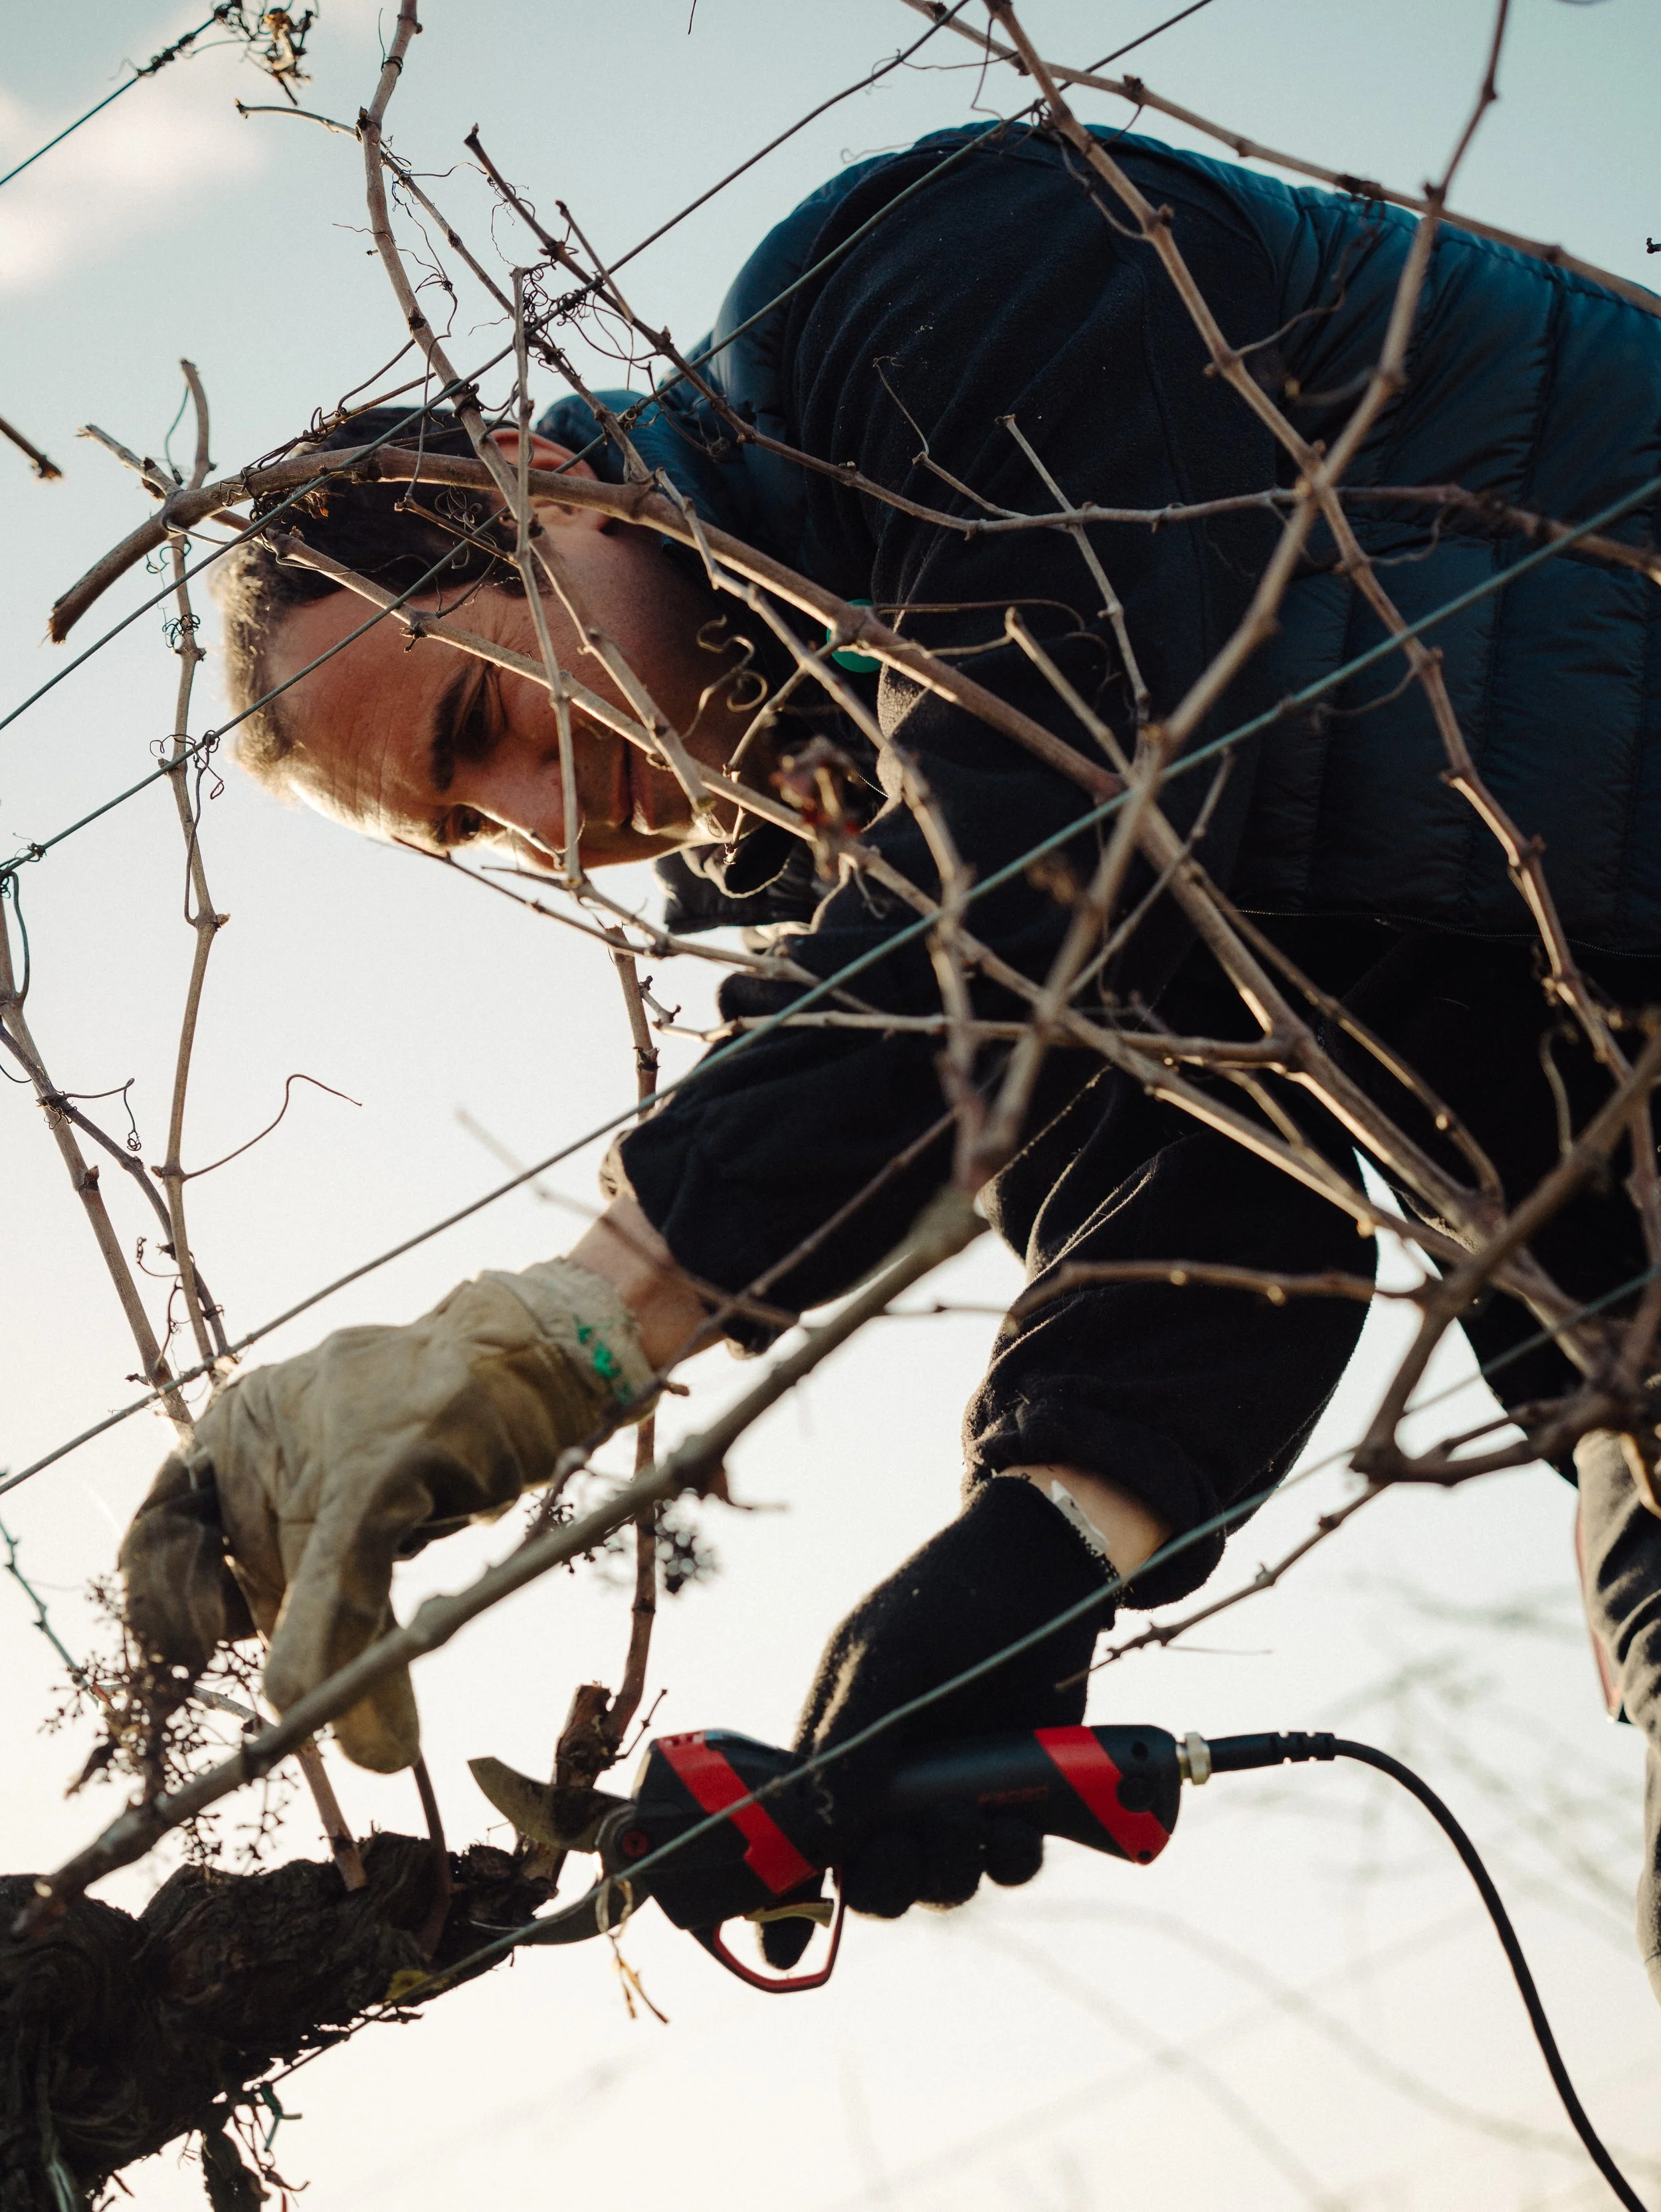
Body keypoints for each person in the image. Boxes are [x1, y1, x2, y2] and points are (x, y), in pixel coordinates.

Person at [120, 121, 1661, 1989]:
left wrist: (578, 1321)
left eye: (486, 717)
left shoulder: (933, 286)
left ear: (542, 485)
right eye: (473, 831)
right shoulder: (856, 856)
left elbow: (1070, 795)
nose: (551, 818)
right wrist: (1022, 1567)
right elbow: (1191, 1198)